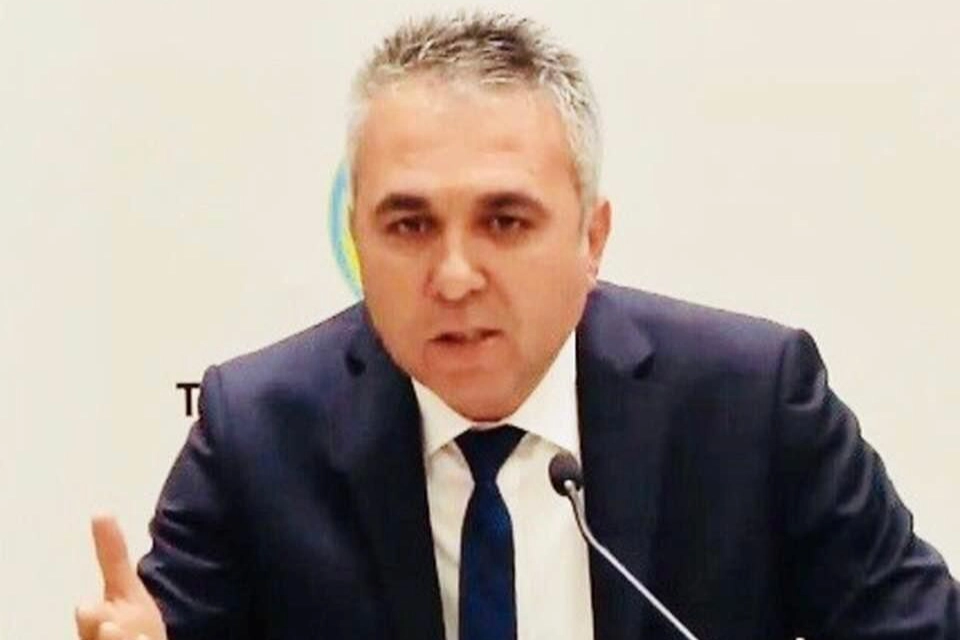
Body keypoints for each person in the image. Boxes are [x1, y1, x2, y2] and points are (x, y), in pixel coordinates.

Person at [75, 11, 959, 640]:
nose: (456, 276)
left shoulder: (752, 403)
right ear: (357, 242)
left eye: (505, 220)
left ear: (592, 239)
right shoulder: (257, 432)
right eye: (409, 225)